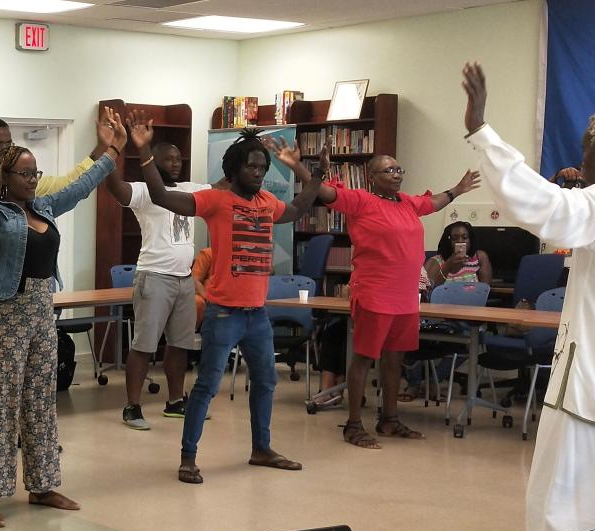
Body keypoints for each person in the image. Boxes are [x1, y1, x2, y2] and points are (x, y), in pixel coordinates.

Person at [461, 61, 595, 531]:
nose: (582, 160)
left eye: (586, 149)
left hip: (592, 388)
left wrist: (481, 131)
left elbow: (546, 208)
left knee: (564, 515)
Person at [0, 105, 119, 528]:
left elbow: (82, 186)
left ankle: (41, 486)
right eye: (25, 173)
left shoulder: (46, 207)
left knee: (40, 402)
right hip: (5, 314)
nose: (33, 179)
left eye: (35, 172)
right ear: (5, 177)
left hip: (40, 312)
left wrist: (111, 152)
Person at [128, 122, 320, 485]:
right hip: (223, 315)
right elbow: (162, 196)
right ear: (233, 170)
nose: (258, 173)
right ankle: (188, 458)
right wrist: (143, 151)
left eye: (262, 167)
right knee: (206, 387)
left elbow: (297, 208)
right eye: (251, 166)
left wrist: (316, 174)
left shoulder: (267, 203)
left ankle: (261, 449)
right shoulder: (216, 200)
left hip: (257, 315)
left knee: (265, 383)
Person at [311, 154, 480, 448]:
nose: (397, 174)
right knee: (364, 358)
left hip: (405, 296)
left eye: (399, 169)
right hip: (375, 293)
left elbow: (433, 202)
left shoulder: (407, 203)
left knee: (395, 358)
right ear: (372, 177)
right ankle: (353, 425)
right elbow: (325, 192)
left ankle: (389, 420)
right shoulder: (361, 200)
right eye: (389, 170)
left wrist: (458, 189)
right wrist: (307, 171)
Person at [105, 139, 208, 428]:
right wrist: (110, 150)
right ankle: (132, 407)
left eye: (178, 159)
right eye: (169, 159)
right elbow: (116, 188)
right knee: (144, 345)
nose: (176, 163)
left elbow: (225, 187)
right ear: (152, 161)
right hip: (154, 277)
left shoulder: (189, 189)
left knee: (179, 345)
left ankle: (175, 401)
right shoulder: (143, 190)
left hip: (184, 279)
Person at [424, 221, 492, 287]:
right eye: (454, 238)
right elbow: (428, 290)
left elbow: (485, 288)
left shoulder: (480, 257)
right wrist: (447, 266)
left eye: (464, 237)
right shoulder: (435, 261)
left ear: (471, 240)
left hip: (473, 295)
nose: (460, 241)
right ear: (448, 241)